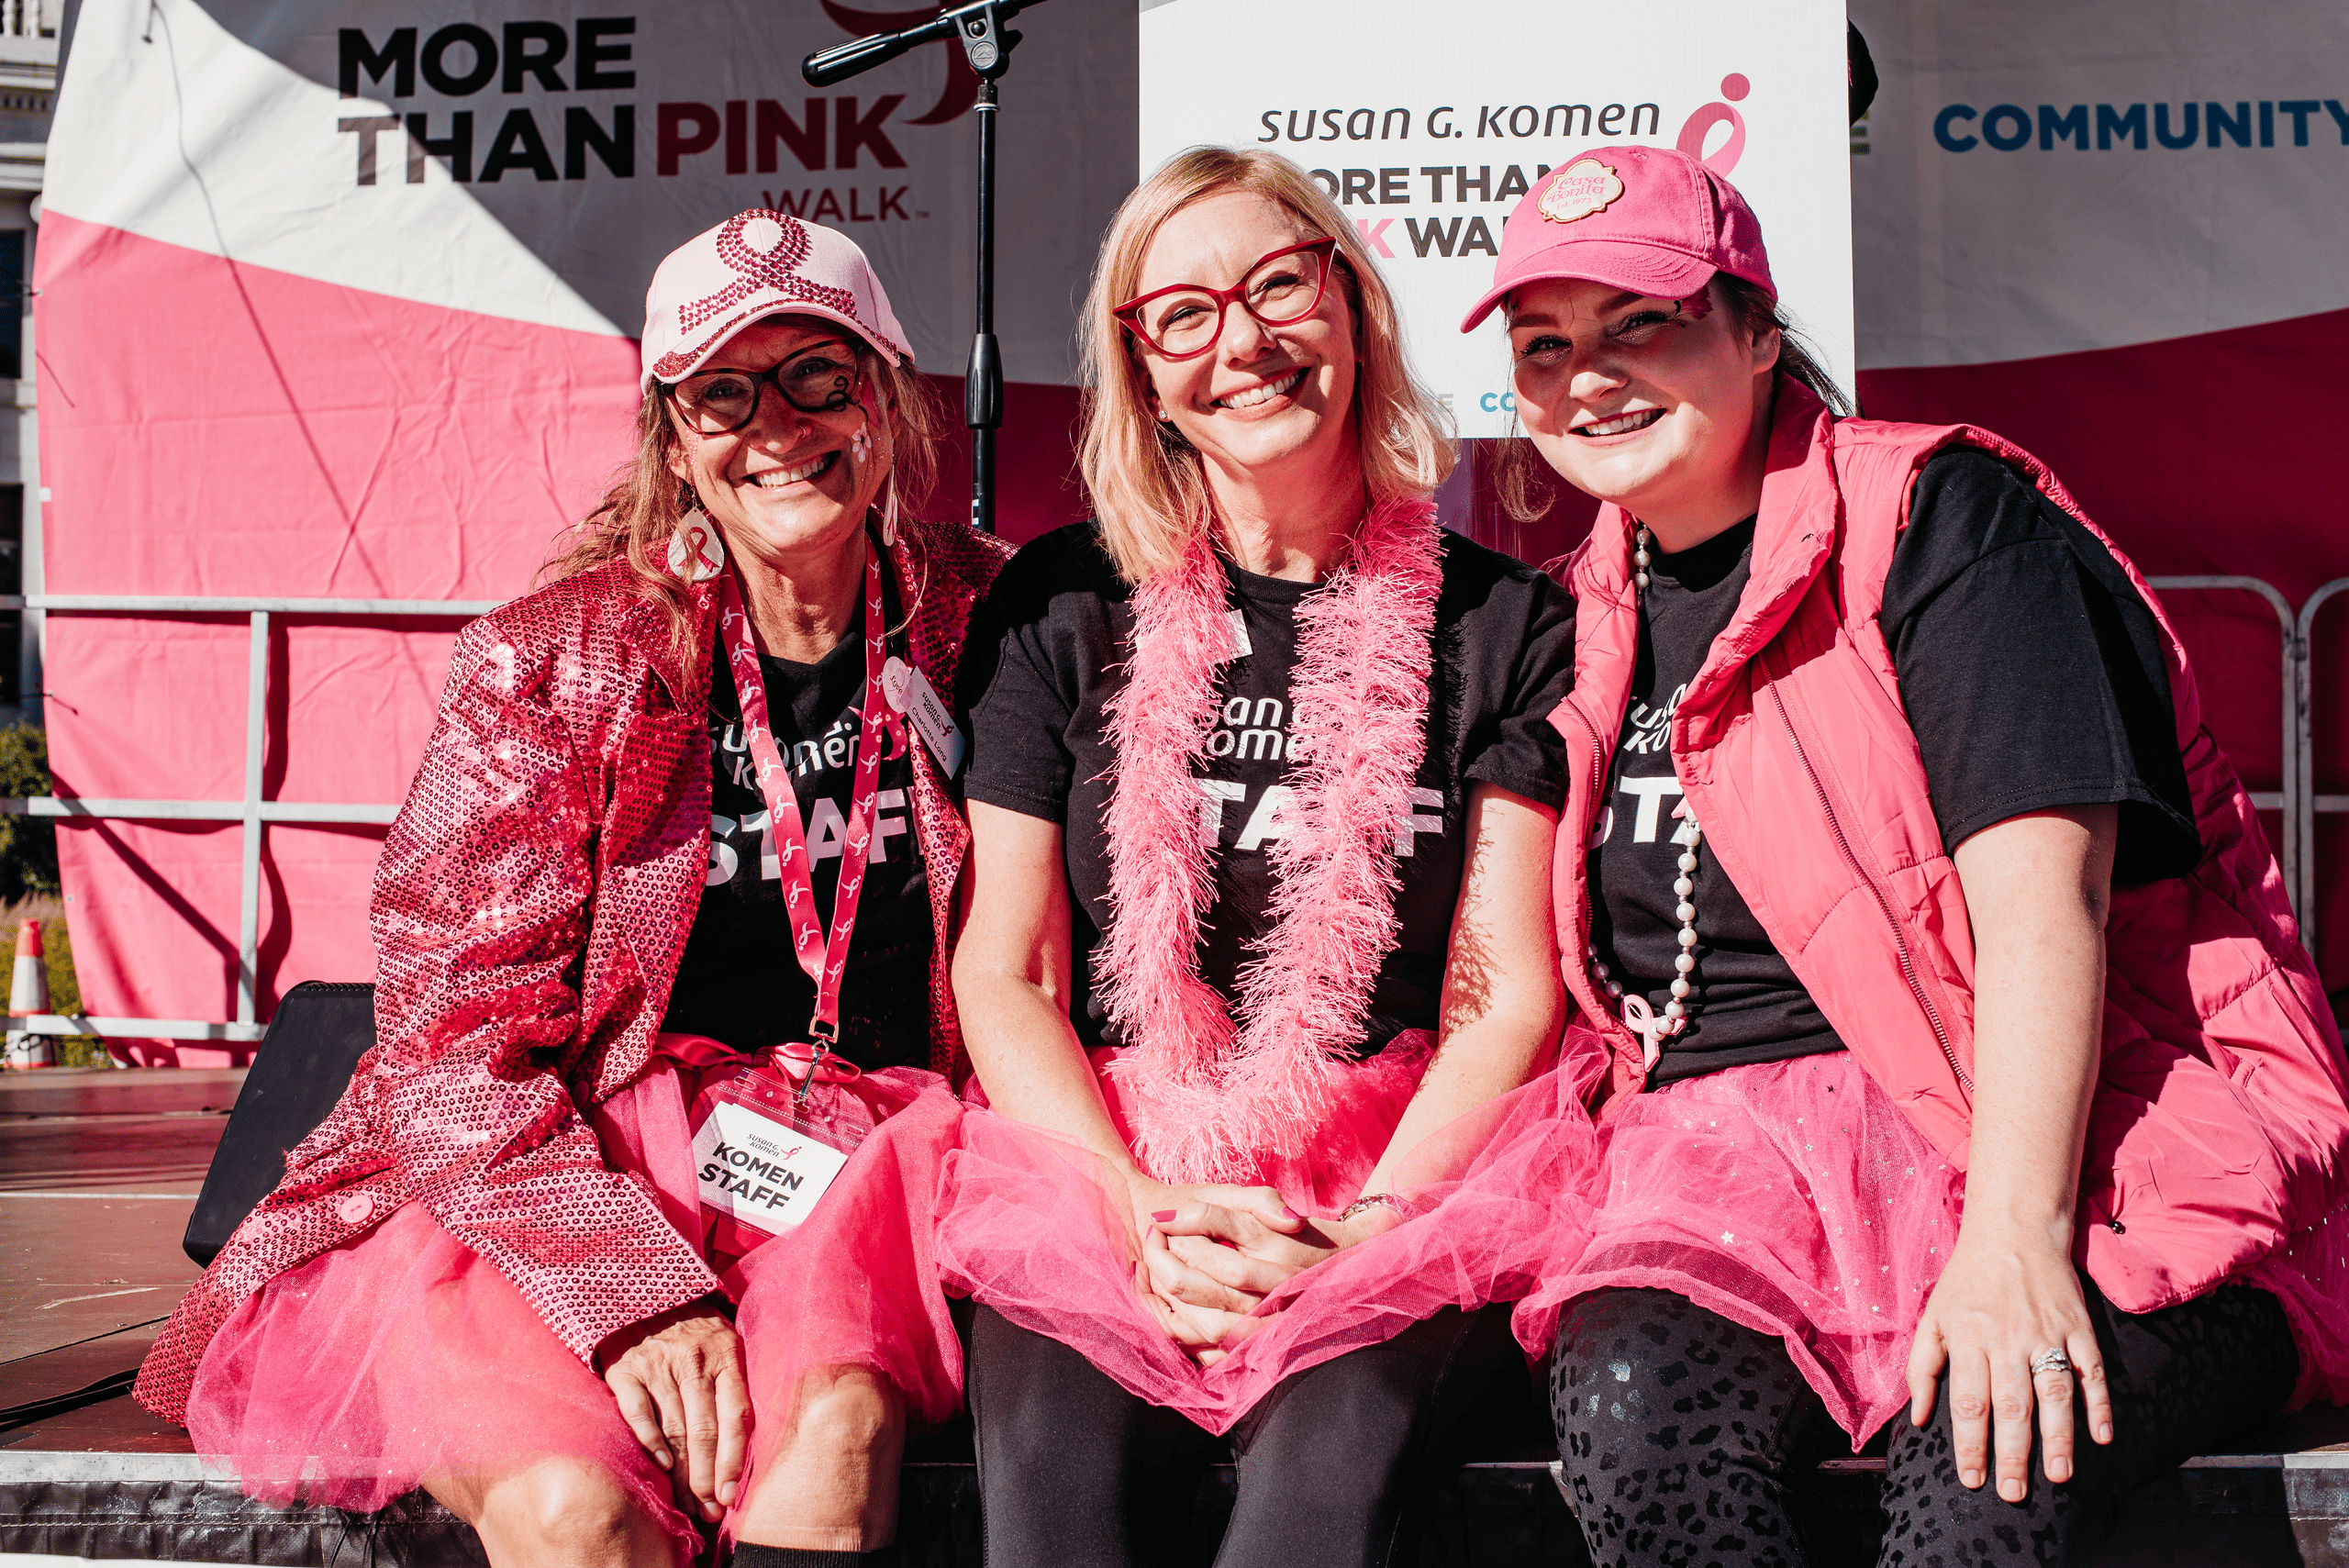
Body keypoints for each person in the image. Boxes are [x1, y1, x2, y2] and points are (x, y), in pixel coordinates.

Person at [1461, 144, 2349, 1564]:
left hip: (2074, 1140)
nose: (1591, 376)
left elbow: (2046, 913)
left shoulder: (1947, 520)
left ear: (1755, 331)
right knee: (1635, 1424)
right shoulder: (1582, 614)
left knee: (1983, 1481)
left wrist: (2012, 1245)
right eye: (1545, 344)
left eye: (1644, 322)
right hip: (1722, 1190)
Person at [132, 211, 1010, 1568]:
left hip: (873, 1170)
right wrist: (630, 1292)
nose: (778, 424)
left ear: (888, 399)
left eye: (818, 375)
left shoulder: (995, 623)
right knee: (575, 1515)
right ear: (674, 435)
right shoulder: (554, 661)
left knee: (831, 1455)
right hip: (577, 1160)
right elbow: (451, 1044)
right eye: (727, 390)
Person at [938, 147, 1577, 1566]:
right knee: (1052, 1506)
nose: (1244, 341)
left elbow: (1501, 994)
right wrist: (1138, 1207)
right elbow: (1008, 971)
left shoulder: (1510, 626)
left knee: (1315, 1510)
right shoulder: (1060, 603)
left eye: (1281, 284)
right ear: (1144, 375)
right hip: (1110, 1163)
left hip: (1401, 1174)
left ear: (1352, 307)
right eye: (1184, 315)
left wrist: (1371, 1234)